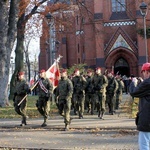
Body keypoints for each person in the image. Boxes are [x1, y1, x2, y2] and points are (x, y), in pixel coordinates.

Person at [129, 63, 150, 150]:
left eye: (143, 72)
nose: (143, 74)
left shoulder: (147, 82)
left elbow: (134, 92)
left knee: (144, 143)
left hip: (147, 118)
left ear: (147, 72)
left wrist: (133, 83)